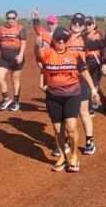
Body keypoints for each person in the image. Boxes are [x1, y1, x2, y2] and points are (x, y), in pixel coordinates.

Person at [32, 10, 106, 156]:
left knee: (83, 112)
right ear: (70, 24)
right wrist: (36, 20)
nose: (77, 25)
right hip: (63, 79)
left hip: (81, 80)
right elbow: (42, 34)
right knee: (64, 116)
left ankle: (89, 141)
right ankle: (66, 143)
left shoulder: (85, 40)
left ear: (83, 27)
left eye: (80, 23)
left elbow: (105, 43)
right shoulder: (62, 38)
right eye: (74, 22)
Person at [36, 27, 100, 172]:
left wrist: (93, 89)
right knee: (58, 129)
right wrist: (36, 45)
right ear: (54, 40)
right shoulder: (48, 53)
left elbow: (84, 71)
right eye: (58, 39)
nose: (61, 42)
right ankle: (62, 157)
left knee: (71, 127)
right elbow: (40, 60)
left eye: (64, 40)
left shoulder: (75, 54)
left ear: (67, 41)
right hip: (53, 96)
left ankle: (74, 157)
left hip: (72, 95)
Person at [0, 10, 26, 111]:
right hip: (4, 58)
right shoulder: (2, 29)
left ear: (16, 18)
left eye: (13, 18)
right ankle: (6, 99)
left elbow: (23, 43)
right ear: (6, 18)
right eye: (9, 18)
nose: (11, 20)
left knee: (15, 80)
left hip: (16, 57)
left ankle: (16, 102)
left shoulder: (20, 29)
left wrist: (20, 55)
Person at [84, 15, 106, 115]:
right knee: (89, 86)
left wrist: (105, 64)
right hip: (85, 64)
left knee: (93, 86)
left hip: (97, 64)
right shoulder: (82, 36)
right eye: (85, 24)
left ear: (94, 24)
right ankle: (102, 100)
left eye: (89, 24)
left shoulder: (99, 35)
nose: (87, 26)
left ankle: (91, 108)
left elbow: (104, 49)